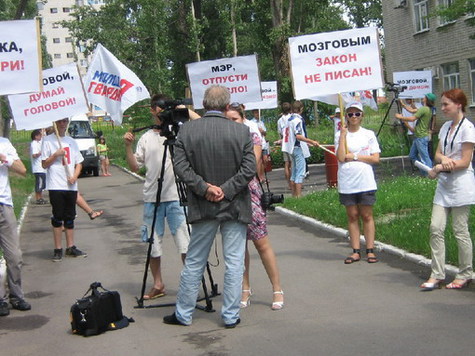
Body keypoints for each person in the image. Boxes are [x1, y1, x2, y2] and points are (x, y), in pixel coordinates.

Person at [163, 85, 256, 328]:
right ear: (228, 106)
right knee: (234, 262)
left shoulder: (187, 132)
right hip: (234, 204)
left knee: (194, 260)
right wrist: (226, 189)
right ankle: (230, 315)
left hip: (203, 205)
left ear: (204, 105)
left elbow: (181, 168)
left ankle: (183, 313)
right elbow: (249, 169)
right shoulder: (242, 132)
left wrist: (205, 188)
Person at [124, 94, 190, 300]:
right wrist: (127, 146)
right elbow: (135, 166)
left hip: (176, 196)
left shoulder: (179, 132)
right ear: (153, 110)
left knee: (185, 243)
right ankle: (158, 284)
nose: (162, 112)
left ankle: (190, 284)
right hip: (152, 197)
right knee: (153, 243)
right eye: (159, 108)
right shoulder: (146, 137)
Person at [225, 103, 284, 311]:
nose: (231, 123)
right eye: (228, 120)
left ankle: (277, 288)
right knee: (238, 246)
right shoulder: (221, 139)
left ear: (242, 120)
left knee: (261, 242)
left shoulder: (253, 137)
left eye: (235, 119)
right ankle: (245, 288)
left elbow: (250, 166)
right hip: (228, 195)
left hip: (249, 193)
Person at [421, 89, 474, 291]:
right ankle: (437, 273)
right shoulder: (444, 127)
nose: (442, 108)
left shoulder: (468, 128)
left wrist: (439, 167)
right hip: (444, 186)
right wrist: (443, 160)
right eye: (442, 104)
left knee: (460, 231)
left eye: (446, 104)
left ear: (458, 104)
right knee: (435, 228)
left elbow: (465, 161)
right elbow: (437, 153)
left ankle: (465, 273)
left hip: (461, 184)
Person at [336, 102, 381, 264]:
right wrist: (342, 136)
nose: (353, 117)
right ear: (346, 117)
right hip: (347, 181)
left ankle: (370, 249)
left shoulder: (368, 134)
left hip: (365, 181)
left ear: (362, 116)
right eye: (350, 114)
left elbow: (375, 158)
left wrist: (355, 156)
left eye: (357, 114)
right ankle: (355, 250)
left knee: (367, 215)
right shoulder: (340, 134)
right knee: (352, 215)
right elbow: (340, 157)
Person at [41, 118, 87, 261]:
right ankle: (57, 249)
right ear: (55, 123)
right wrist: (55, 155)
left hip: (70, 185)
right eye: (60, 121)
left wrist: (74, 176)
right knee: (57, 217)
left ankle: (70, 247)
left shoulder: (71, 141)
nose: (62, 124)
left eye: (65, 121)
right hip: (56, 184)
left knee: (70, 217)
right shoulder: (47, 141)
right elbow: (44, 164)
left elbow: (79, 162)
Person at [0, 138, 31, 316]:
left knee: (14, 255)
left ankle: (16, 296)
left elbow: (22, 169)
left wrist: (4, 158)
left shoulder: (4, 143)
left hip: (4, 205)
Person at [282, 101, 319, 197]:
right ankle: (298, 196)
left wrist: (306, 143)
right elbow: (298, 135)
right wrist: (311, 141)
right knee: (300, 172)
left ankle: (294, 195)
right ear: (300, 109)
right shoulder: (298, 120)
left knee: (294, 171)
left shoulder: (289, 119)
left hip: (291, 148)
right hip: (298, 148)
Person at [396, 93, 436, 175]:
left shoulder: (424, 109)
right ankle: (424, 172)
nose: (423, 97)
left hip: (421, 137)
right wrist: (402, 104)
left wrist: (400, 117)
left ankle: (429, 174)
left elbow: (412, 118)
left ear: (427, 99)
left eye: (424, 97)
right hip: (419, 136)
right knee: (412, 155)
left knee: (425, 157)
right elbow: (411, 110)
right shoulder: (427, 109)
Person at [276, 102, 292, 189]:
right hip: (292, 142)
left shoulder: (280, 120)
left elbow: (280, 133)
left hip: (284, 142)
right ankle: (295, 182)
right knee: (294, 163)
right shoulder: (292, 118)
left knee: (286, 164)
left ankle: (289, 184)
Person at [30, 129, 47, 204]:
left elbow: (44, 139)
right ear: (36, 136)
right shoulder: (34, 144)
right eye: (39, 135)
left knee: (42, 184)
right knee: (39, 183)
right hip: (38, 168)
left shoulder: (39, 143)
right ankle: (38, 198)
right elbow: (34, 155)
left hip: (41, 168)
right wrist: (40, 153)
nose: (41, 136)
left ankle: (40, 197)